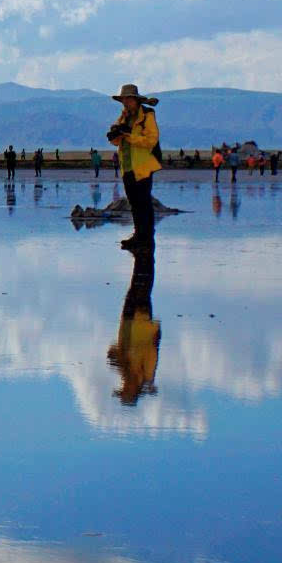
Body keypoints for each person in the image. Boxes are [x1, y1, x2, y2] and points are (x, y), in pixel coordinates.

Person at [108, 84, 163, 251]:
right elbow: (116, 141)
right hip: (127, 166)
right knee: (134, 203)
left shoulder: (147, 115)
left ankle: (146, 237)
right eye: (123, 100)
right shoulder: (124, 117)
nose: (125, 103)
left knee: (143, 203)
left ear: (135, 100)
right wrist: (116, 134)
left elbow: (151, 140)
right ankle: (139, 235)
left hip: (143, 166)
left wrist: (129, 136)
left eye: (128, 99)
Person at [107, 246, 159, 405]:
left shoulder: (125, 371)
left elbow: (113, 351)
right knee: (141, 282)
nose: (123, 386)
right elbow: (153, 347)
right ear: (133, 389)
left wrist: (115, 360)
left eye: (123, 389)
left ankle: (143, 250)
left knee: (138, 282)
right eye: (125, 390)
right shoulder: (146, 374)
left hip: (129, 323)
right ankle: (144, 249)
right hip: (141, 323)